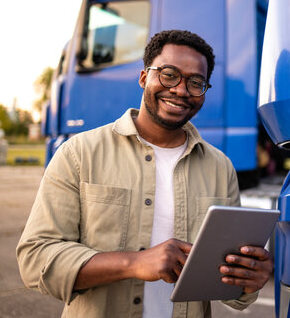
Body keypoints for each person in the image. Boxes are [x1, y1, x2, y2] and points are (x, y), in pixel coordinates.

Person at [16, 30, 273, 318]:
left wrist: (249, 279)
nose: (180, 90)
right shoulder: (78, 153)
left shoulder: (220, 167)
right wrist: (134, 263)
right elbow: (35, 260)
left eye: (196, 82)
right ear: (143, 77)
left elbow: (231, 289)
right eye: (169, 74)